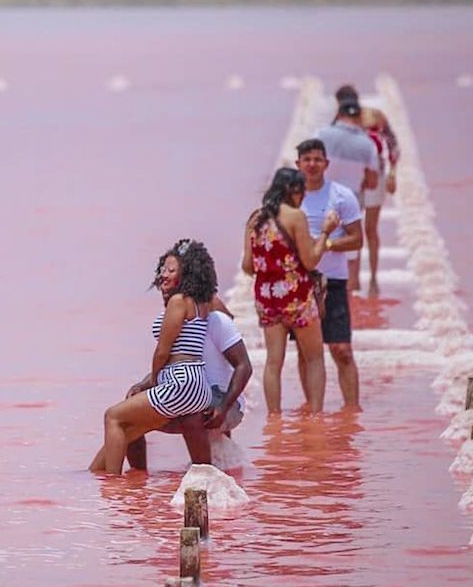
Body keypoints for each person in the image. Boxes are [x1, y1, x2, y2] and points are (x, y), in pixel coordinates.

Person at [89, 239, 216, 475]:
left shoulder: (179, 302)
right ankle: (101, 475)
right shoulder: (205, 302)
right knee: (129, 430)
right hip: (198, 384)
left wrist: (154, 380)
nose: (163, 274)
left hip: (180, 382)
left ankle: (113, 487)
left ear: (186, 272)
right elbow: (227, 320)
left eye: (171, 270)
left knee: (113, 417)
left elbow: (162, 352)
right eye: (163, 269)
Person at [243, 167, 338, 414]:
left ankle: (274, 420)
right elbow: (310, 261)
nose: (304, 195)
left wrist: (270, 268)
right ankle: (316, 416)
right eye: (302, 190)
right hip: (297, 298)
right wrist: (326, 233)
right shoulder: (295, 217)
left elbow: (247, 266)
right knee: (314, 358)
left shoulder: (255, 219)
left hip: (267, 299)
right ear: (293, 190)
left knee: (273, 363)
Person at [124, 303, 254, 471]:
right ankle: (137, 483)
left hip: (225, 403)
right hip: (189, 394)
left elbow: (244, 367)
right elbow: (169, 368)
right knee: (129, 411)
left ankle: (204, 475)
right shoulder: (175, 325)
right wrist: (143, 385)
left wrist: (223, 407)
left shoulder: (216, 321)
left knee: (192, 413)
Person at [294, 140, 364, 411]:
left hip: (333, 279)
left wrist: (325, 243)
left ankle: (352, 411)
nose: (312, 164)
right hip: (300, 283)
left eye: (317, 159)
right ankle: (313, 409)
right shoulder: (292, 199)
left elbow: (357, 239)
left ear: (326, 164)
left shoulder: (342, 195)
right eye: (306, 159)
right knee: (305, 351)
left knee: (341, 349)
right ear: (298, 164)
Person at [334, 84, 401, 295]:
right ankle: (358, 280)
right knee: (360, 230)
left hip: (369, 179)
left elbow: (392, 145)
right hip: (353, 180)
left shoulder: (373, 117)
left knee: (365, 229)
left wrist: (392, 174)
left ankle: (369, 279)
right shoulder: (342, 120)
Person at [316, 97, 379, 291]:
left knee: (320, 251)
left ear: (339, 114)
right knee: (351, 252)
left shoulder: (322, 134)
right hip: (351, 201)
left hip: (322, 199)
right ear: (358, 116)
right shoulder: (367, 144)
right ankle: (351, 296)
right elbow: (372, 181)